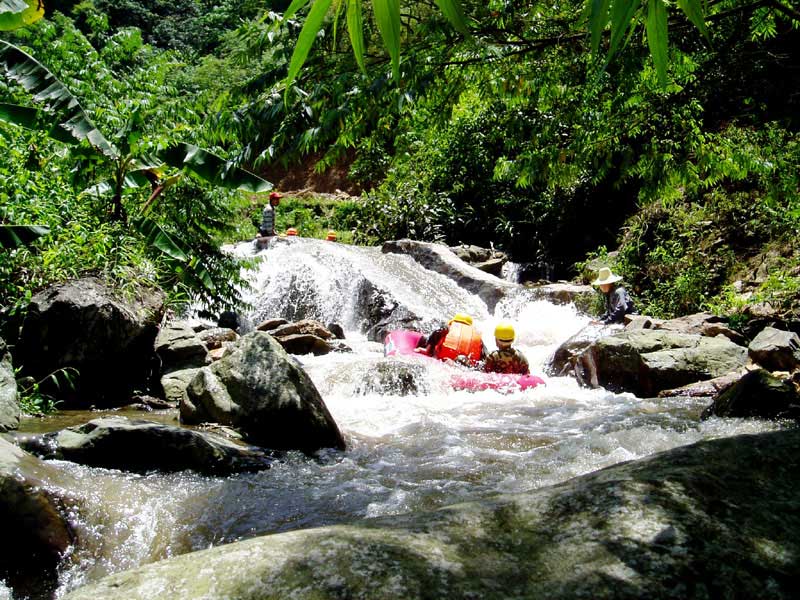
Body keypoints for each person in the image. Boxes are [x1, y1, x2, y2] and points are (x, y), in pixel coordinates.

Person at [416, 313, 487, 367]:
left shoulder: (449, 327)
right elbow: (484, 357)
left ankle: (427, 351)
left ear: (454, 321)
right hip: (466, 364)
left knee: (428, 338)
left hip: (445, 358)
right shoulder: (477, 337)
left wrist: (428, 350)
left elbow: (437, 332)